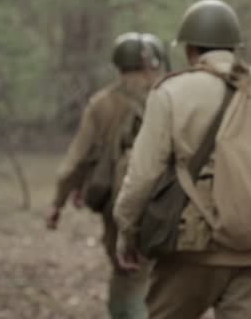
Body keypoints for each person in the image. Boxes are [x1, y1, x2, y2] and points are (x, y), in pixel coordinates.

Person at [113, 0, 251, 319]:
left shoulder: (170, 91)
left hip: (191, 247)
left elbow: (142, 175)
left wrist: (126, 230)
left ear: (190, 49)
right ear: (233, 46)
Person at [46, 32, 166, 319]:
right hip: (165, 202)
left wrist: (57, 203)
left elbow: (76, 159)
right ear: (153, 62)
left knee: (126, 277)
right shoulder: (166, 97)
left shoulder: (102, 103)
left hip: (119, 206)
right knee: (151, 279)